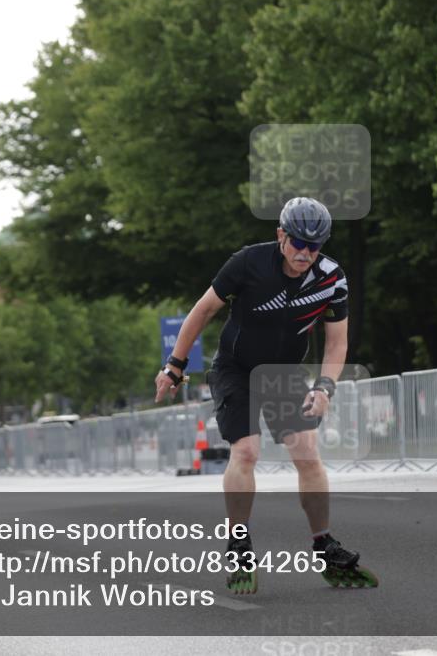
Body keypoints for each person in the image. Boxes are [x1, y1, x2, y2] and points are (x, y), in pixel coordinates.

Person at [154, 197, 376, 594]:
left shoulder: (332, 278)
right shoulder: (248, 263)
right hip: (236, 369)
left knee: (307, 454)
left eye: (315, 246)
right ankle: (239, 542)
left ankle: (324, 543)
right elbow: (202, 311)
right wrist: (174, 366)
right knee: (246, 451)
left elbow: (336, 344)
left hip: (283, 373)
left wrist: (325, 388)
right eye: (298, 243)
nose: (305, 253)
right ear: (280, 235)